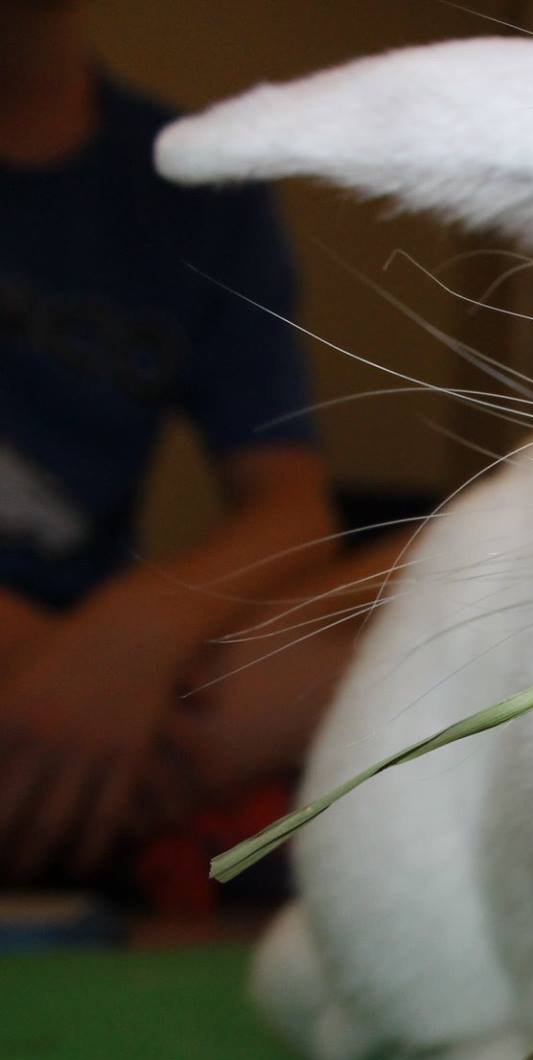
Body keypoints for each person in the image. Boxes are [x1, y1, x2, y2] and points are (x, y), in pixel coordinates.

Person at [0, 1, 338, 885]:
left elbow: (294, 508)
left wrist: (129, 642)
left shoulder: (194, 183)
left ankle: (107, 806)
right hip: (62, 685)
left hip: (118, 677)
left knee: (439, 573)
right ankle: (129, 814)